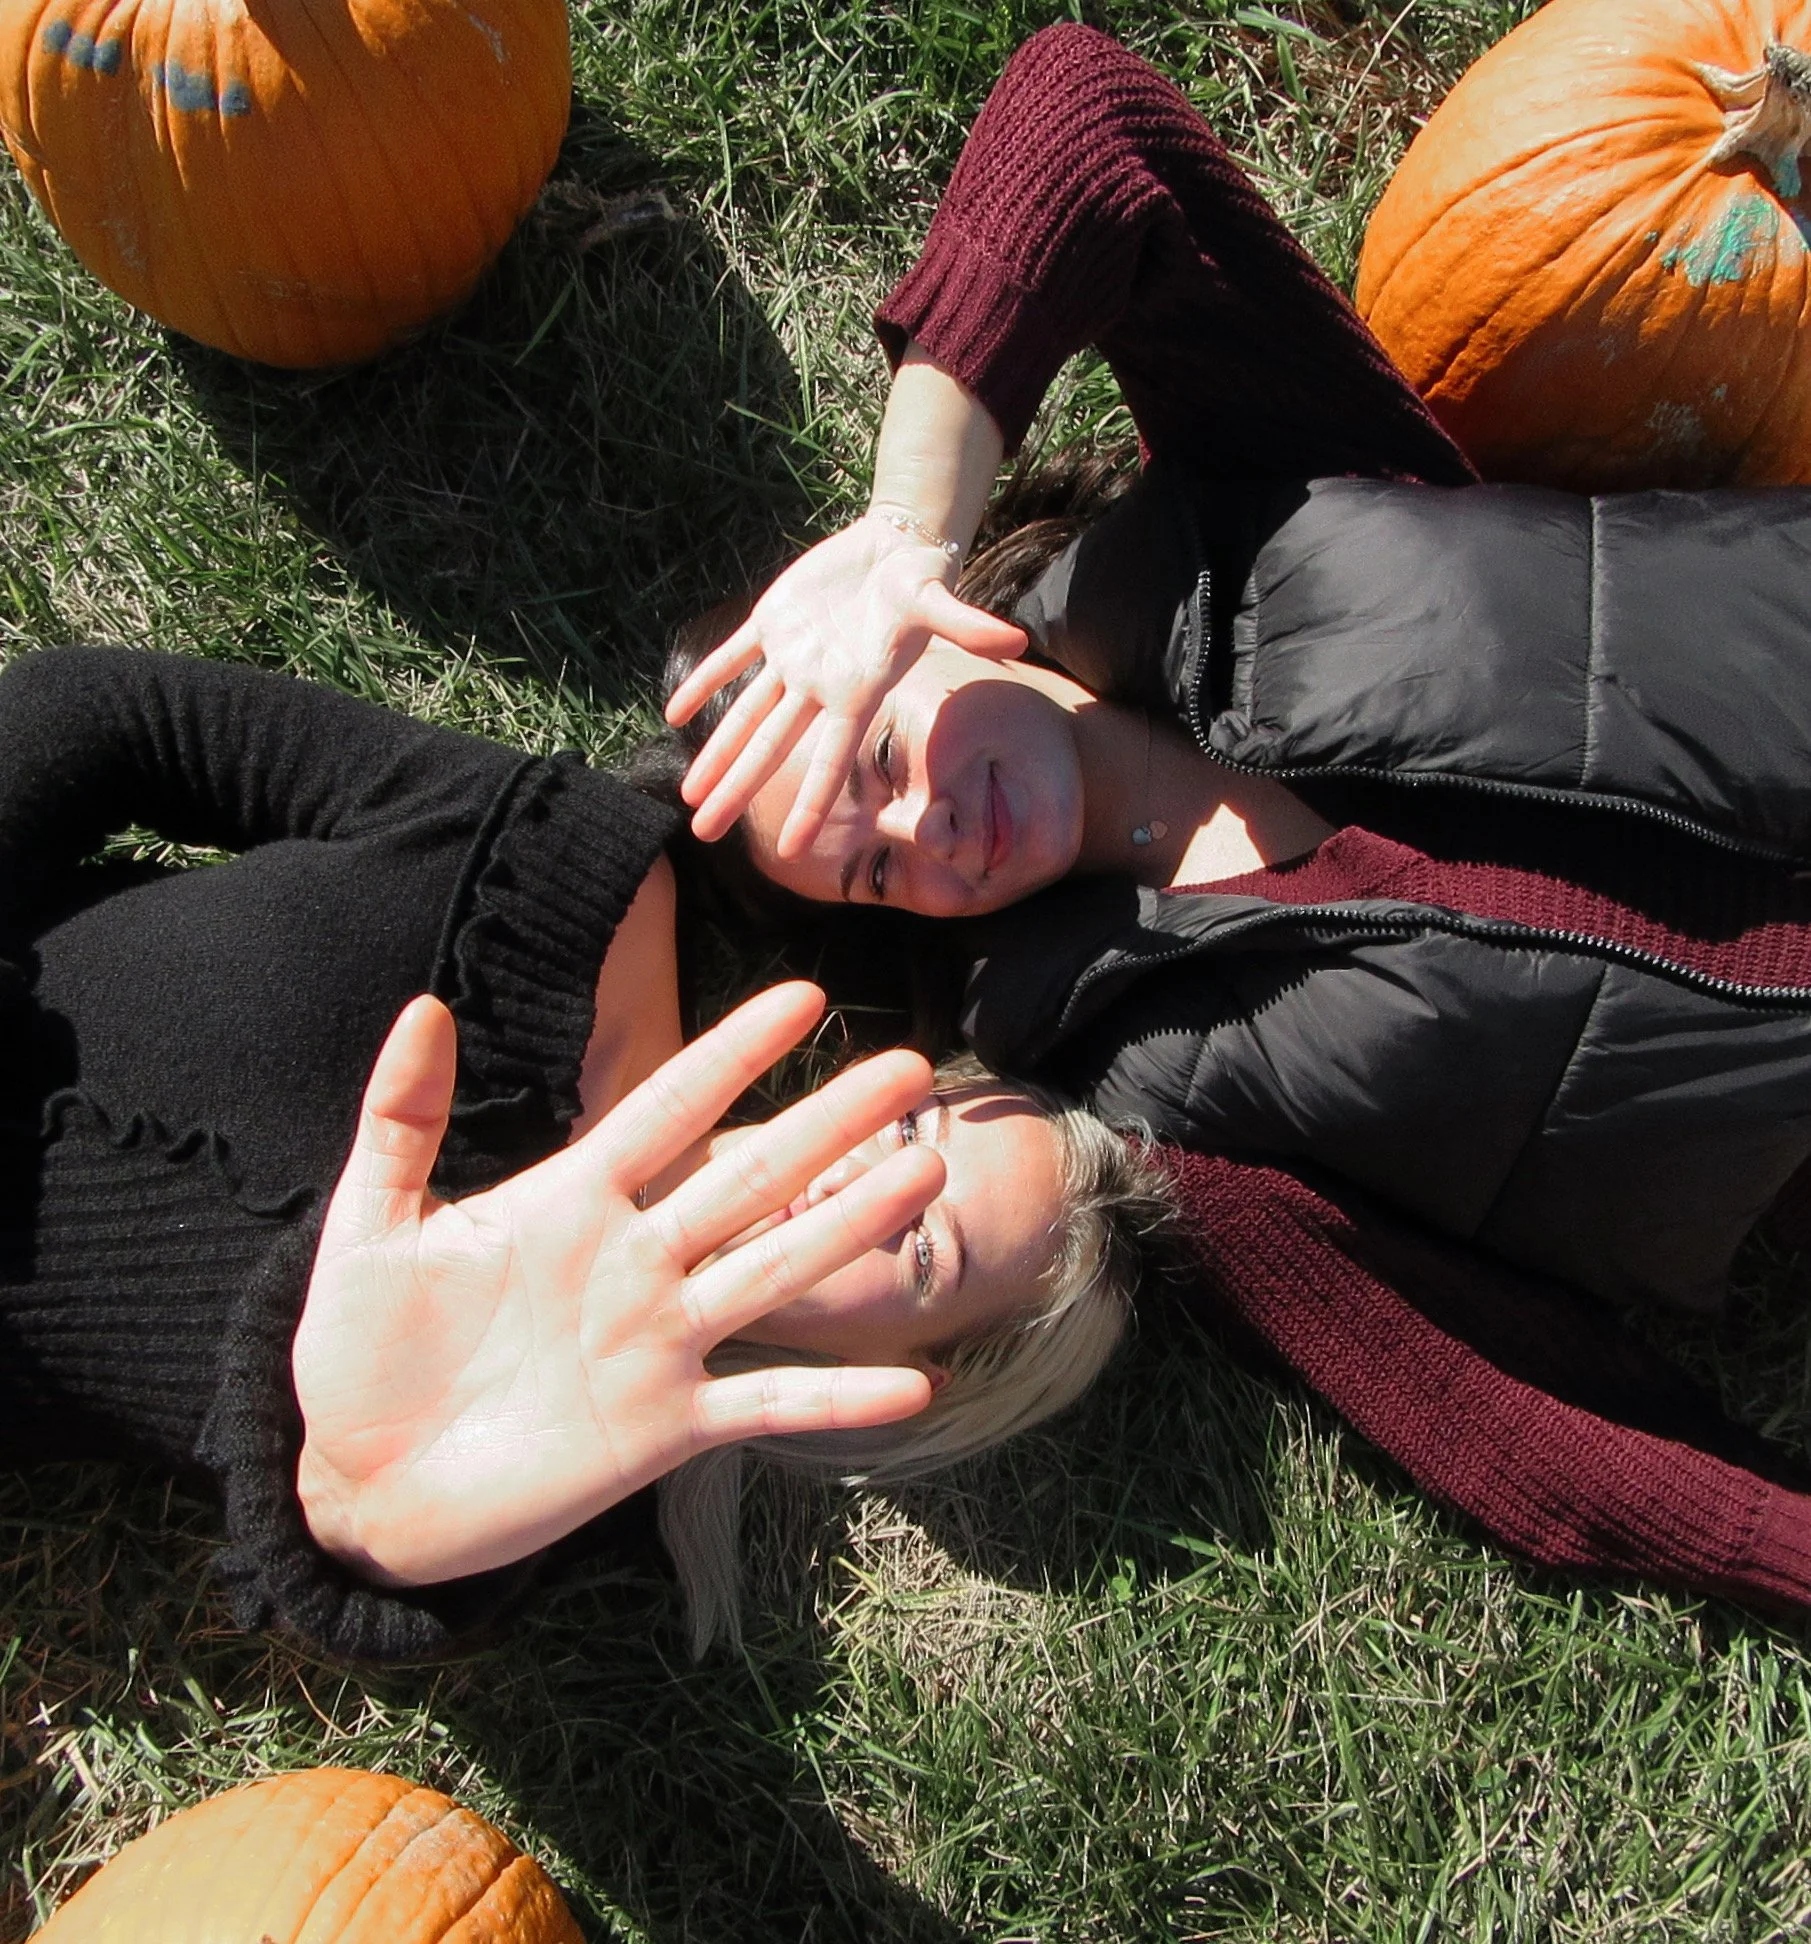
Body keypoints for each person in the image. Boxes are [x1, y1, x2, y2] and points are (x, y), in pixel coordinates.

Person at [661, 26, 1811, 1616]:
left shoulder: (1240, 513)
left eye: (871, 747)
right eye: (868, 866)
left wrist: (893, 530)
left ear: (918, 632)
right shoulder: (1146, 1081)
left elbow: (1086, 116)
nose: (921, 824)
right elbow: (1496, 1414)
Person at [0, 643, 1168, 1662]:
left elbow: (358, 1533)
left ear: (892, 1385)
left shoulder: (548, 1456)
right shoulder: (569, 887)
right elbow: (113, 719)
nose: (861, 1182)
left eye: (919, 1251)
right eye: (909, 1131)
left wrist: (347, 1518)